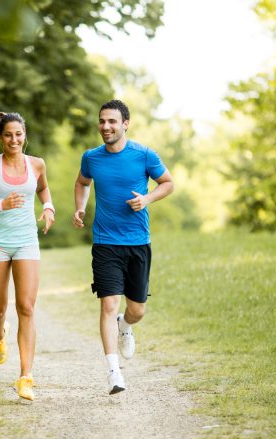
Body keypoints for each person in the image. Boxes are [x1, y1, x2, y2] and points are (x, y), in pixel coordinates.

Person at [72, 99, 174, 394]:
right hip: (105, 243)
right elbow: (82, 182)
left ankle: (125, 326)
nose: (106, 126)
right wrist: (80, 207)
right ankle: (114, 373)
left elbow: (167, 183)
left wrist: (146, 200)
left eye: (112, 121)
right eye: (102, 121)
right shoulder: (91, 157)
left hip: (138, 242)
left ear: (125, 124)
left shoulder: (143, 155)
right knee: (108, 303)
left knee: (137, 310)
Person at [0, 111, 55, 401]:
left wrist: (49, 206)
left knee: (26, 307)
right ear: (0, 136)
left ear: (24, 134)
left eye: (18, 134)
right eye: (8, 135)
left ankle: (25, 376)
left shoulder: (37, 164)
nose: (14, 139)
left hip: (27, 241)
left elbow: (42, 188)